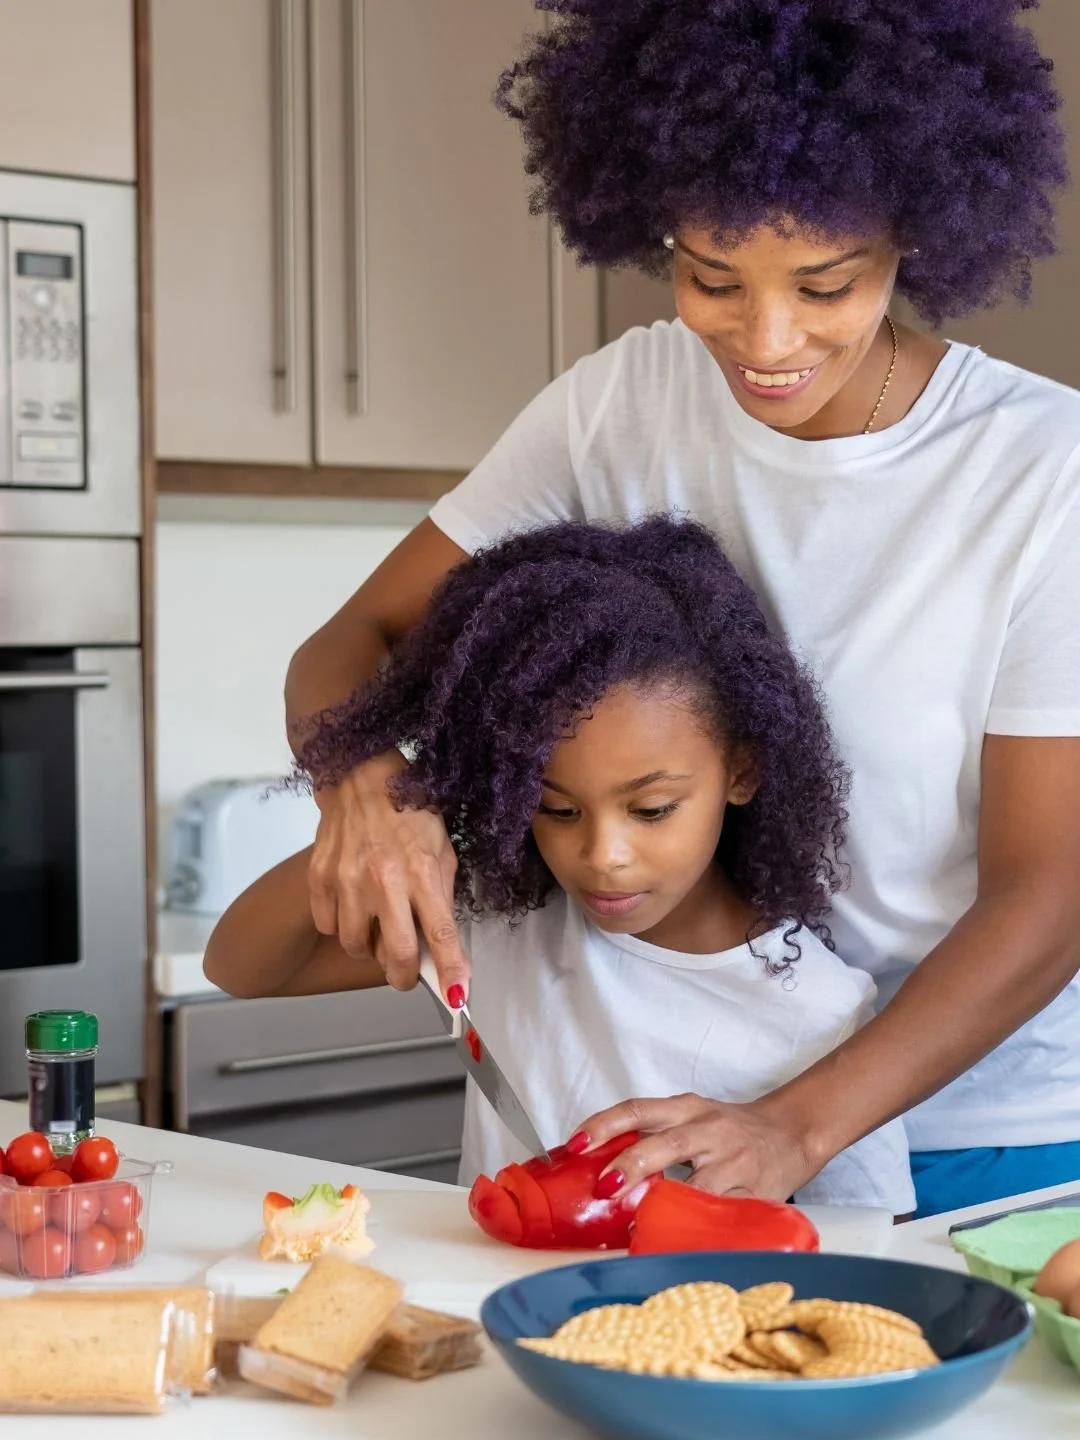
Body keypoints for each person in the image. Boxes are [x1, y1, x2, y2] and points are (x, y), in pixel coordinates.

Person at [283, 1, 1080, 1218]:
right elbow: (353, 641)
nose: (766, 342)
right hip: (699, 1106)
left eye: (828, 284)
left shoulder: (1041, 471)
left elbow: (1050, 891)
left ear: (914, 236)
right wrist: (365, 786)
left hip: (980, 1138)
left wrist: (798, 1125)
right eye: (713, 277)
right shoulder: (622, 402)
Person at [208, 519, 913, 1215]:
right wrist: (383, 834)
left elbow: (872, 1249)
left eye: (653, 809)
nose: (603, 855)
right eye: (559, 810)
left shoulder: (821, 1016)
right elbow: (240, 965)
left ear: (742, 771)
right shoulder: (502, 921)